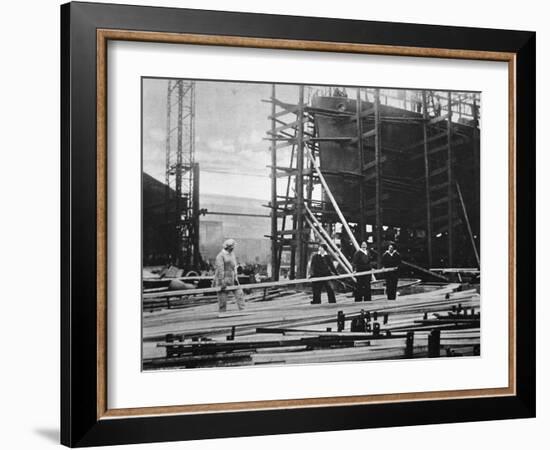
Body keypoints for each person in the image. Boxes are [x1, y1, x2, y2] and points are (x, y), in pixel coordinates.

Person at [213, 239, 245, 313]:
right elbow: (220, 270)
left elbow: (234, 267)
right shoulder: (220, 256)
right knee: (222, 302)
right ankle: (222, 316)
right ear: (228, 247)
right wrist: (221, 281)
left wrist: (236, 279)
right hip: (223, 280)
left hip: (232, 279)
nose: (233, 249)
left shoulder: (232, 254)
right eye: (232, 247)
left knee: (240, 295)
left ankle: (243, 312)